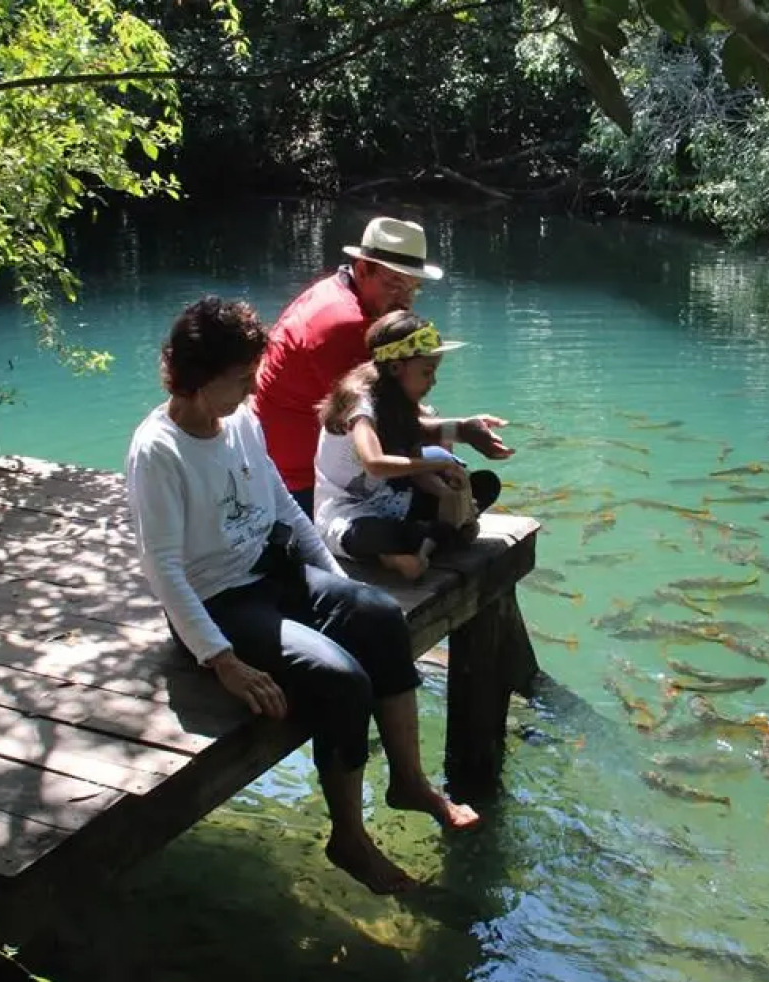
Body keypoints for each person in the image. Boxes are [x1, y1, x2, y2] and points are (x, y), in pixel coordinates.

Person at [125, 296, 479, 895]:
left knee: (380, 617)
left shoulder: (240, 422)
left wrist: (333, 580)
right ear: (198, 377)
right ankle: (350, 839)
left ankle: (409, 781)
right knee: (343, 680)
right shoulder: (158, 450)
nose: (251, 389)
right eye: (240, 379)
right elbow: (161, 567)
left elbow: (283, 505)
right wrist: (222, 660)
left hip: (274, 572)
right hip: (219, 604)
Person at [253, 216, 512, 517]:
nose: (405, 301)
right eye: (394, 285)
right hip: (303, 483)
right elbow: (386, 426)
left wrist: (451, 429)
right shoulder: (346, 325)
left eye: (413, 289)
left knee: (445, 465)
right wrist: (460, 430)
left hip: (285, 461)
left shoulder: (336, 293)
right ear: (363, 269)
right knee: (456, 480)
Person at [314, 310, 504, 580]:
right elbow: (375, 463)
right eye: (427, 372)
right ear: (396, 368)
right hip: (349, 512)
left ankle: (428, 539)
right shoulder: (360, 404)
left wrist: (449, 495)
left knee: (485, 485)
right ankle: (415, 545)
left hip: (391, 502)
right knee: (380, 535)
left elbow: (417, 470)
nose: (433, 382)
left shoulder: (401, 403)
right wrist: (441, 464)